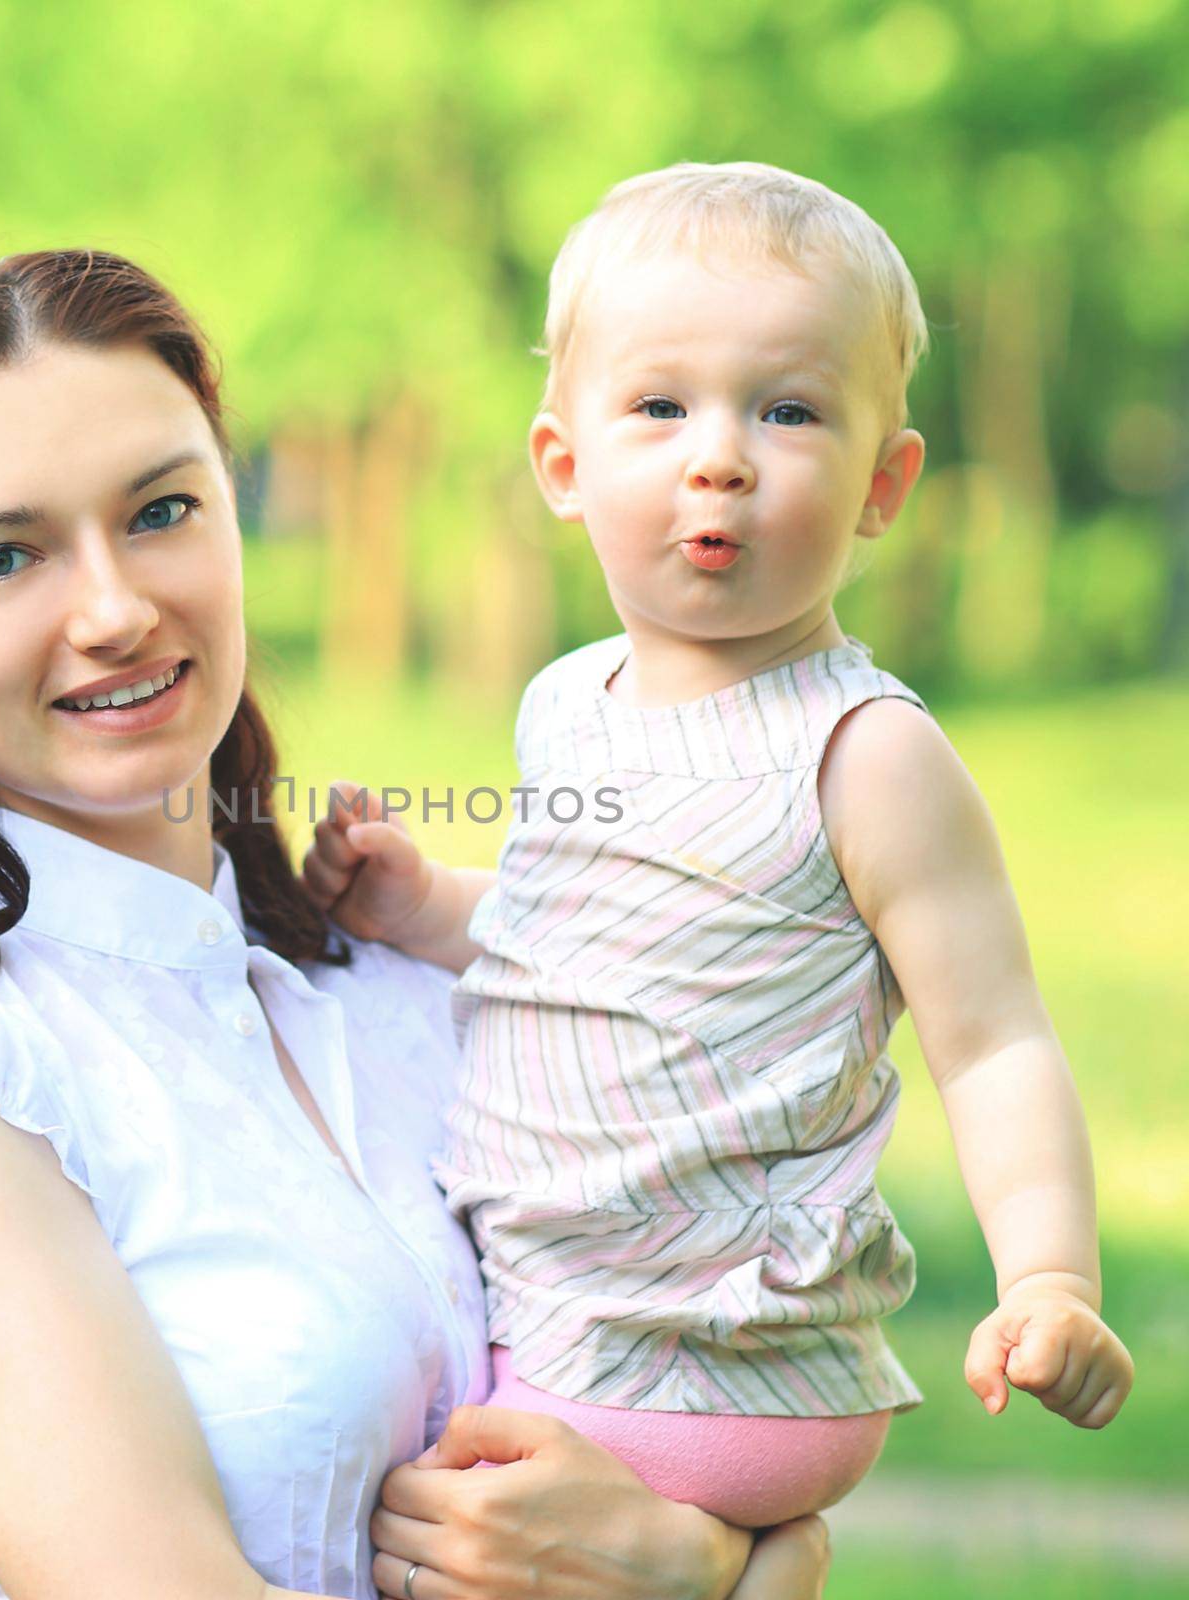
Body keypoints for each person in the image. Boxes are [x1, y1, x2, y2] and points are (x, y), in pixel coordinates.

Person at [0, 249, 831, 1600]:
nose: (118, 611)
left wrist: (696, 1555)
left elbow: (740, 1389)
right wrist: (724, 1581)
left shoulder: (392, 980)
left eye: (163, 509)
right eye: (2, 557)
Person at [303, 162, 1135, 1532]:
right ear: (563, 468)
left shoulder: (867, 754)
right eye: (661, 406)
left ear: (884, 483)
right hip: (558, 1317)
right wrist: (424, 902)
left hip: (718, 1360)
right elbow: (581, 933)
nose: (720, 454)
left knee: (391, 1525)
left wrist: (1052, 1278)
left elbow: (992, 1038)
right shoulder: (569, 700)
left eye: (789, 411)